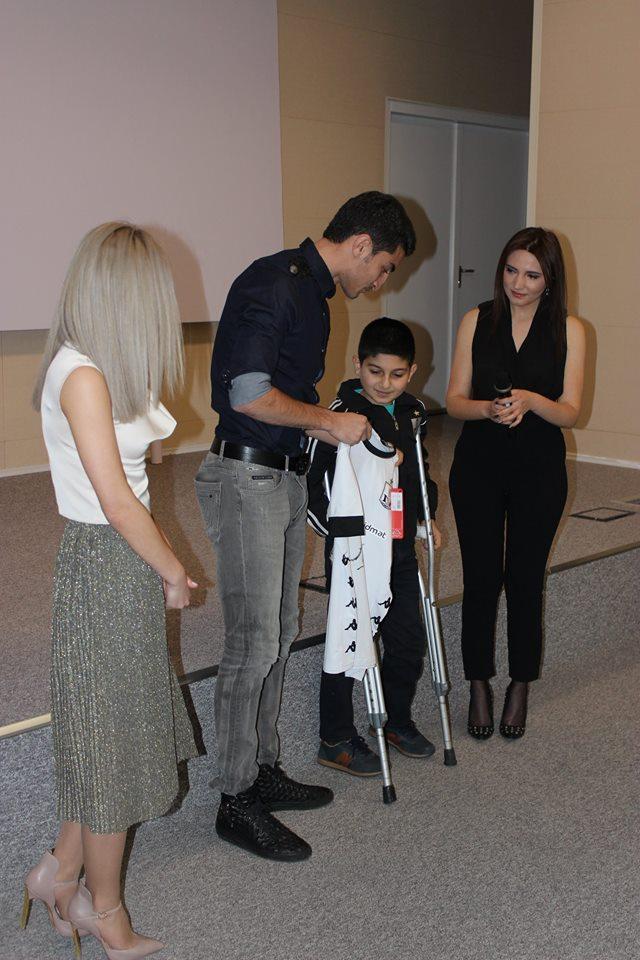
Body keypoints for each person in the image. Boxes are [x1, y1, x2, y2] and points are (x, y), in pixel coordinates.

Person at [195, 192, 416, 861]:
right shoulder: (274, 284)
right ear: (361, 245)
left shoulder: (312, 296)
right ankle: (235, 797)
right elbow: (248, 395)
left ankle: (262, 769)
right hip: (247, 477)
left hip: (283, 476)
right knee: (252, 641)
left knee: (280, 630)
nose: (379, 282)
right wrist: (329, 421)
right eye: (384, 267)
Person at [24, 222, 198, 960]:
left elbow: (136, 474)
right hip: (106, 564)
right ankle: (106, 914)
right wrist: (173, 570)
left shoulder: (95, 364)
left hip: (115, 564)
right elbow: (119, 503)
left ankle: (57, 873)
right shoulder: (83, 375)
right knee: (113, 752)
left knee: (106, 735)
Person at [446, 227, 585, 740]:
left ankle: (520, 683)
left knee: (526, 580)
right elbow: (454, 400)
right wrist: (487, 408)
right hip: (478, 465)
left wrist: (531, 400)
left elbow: (570, 412)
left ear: (550, 280)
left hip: (540, 469)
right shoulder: (476, 320)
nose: (518, 284)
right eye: (511, 270)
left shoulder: (570, 329)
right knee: (481, 578)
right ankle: (478, 682)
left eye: (531, 275)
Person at [306, 318, 441, 775]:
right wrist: (335, 535)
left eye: (397, 374)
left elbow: (418, 471)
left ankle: (396, 719)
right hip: (356, 549)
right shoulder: (340, 413)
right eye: (375, 371)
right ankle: (335, 737)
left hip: (398, 547)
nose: (385, 383)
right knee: (348, 638)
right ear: (357, 364)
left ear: (413, 371)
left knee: (408, 639)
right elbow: (314, 482)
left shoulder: (413, 411)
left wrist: (425, 516)